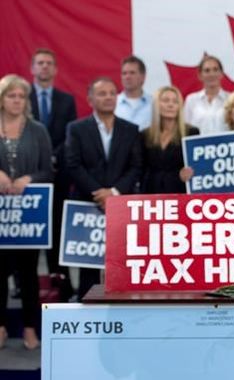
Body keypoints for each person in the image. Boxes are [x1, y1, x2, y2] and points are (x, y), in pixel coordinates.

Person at [66, 77, 142, 299]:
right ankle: (87, 322)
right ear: (90, 99)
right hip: (87, 205)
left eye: (111, 93)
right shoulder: (76, 128)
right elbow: (73, 164)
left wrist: (114, 193)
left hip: (121, 205)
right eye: (102, 93)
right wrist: (99, 193)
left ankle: (124, 321)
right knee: (88, 268)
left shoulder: (131, 129)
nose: (108, 97)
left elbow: (136, 166)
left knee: (122, 265)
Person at [0, 74, 53, 350]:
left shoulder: (38, 130)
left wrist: (28, 179)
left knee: (28, 272)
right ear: (2, 98)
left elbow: (49, 170)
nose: (17, 101)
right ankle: (1, 327)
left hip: (29, 216)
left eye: (21, 96)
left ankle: (30, 328)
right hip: (0, 215)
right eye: (12, 96)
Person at [29, 48, 77, 302]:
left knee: (58, 228)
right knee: (29, 229)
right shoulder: (19, 96)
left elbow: (68, 135)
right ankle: (24, 282)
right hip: (28, 178)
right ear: (32, 68)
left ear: (55, 69)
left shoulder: (66, 100)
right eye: (40, 63)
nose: (45, 67)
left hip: (58, 175)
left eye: (49, 63)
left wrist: (52, 158)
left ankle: (62, 281)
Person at [141, 86, 198, 194]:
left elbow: (195, 167)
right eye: (165, 100)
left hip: (179, 192)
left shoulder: (191, 132)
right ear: (157, 105)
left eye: (175, 101)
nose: (170, 105)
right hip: (151, 193)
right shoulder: (145, 135)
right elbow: (141, 169)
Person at [184, 54, 230, 135]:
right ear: (200, 75)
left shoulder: (231, 99)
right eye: (207, 70)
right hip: (198, 146)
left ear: (222, 74)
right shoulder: (191, 100)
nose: (211, 74)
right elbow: (185, 128)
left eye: (215, 70)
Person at [115, 55, 153, 130]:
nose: (127, 77)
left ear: (143, 77)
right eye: (124, 73)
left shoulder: (154, 104)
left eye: (132, 73)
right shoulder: (113, 103)